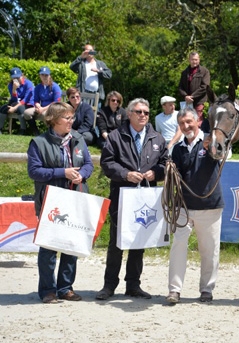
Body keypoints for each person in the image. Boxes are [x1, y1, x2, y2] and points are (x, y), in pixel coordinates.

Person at [97, 98, 168, 300]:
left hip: (146, 197)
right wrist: (126, 174)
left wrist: (156, 173)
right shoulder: (115, 136)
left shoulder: (157, 138)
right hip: (122, 195)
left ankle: (133, 285)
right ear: (129, 114)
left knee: (139, 241)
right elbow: (107, 163)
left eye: (146, 112)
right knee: (116, 242)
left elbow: (165, 163)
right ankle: (109, 285)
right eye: (138, 111)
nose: (143, 115)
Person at [27, 102, 94, 303]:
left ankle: (65, 288)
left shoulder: (79, 139)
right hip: (51, 200)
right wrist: (62, 172)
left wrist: (81, 175)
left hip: (76, 198)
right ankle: (48, 290)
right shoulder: (38, 143)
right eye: (67, 118)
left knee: (70, 245)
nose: (71, 121)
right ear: (54, 120)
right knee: (48, 247)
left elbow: (89, 164)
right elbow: (34, 171)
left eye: (72, 118)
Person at [166, 107, 224, 304]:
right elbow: (176, 174)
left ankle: (207, 289)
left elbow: (224, 154)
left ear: (198, 120)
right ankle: (174, 290)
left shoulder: (211, 140)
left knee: (209, 249)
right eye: (182, 124)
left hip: (209, 205)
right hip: (184, 205)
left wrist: (212, 147)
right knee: (178, 246)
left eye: (189, 122)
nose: (186, 126)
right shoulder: (178, 148)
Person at [24, 66, 62, 135]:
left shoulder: (55, 86)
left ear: (49, 76)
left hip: (53, 108)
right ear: (40, 76)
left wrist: (43, 109)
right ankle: (36, 132)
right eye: (42, 75)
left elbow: (56, 102)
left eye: (46, 75)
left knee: (45, 114)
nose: (44, 77)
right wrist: (38, 106)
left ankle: (51, 133)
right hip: (41, 108)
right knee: (27, 113)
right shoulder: (38, 87)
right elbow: (36, 100)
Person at [178, 51, 210, 131]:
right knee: (188, 121)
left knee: (198, 122)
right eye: (192, 59)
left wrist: (192, 96)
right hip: (187, 103)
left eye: (196, 59)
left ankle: (199, 141)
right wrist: (186, 96)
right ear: (189, 60)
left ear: (199, 60)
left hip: (199, 101)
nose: (194, 61)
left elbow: (204, 86)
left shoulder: (204, 71)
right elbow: (180, 87)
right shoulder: (184, 73)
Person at [0, 67, 35, 135]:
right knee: (3, 108)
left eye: (18, 77)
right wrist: (14, 89)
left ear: (22, 75)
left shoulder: (28, 84)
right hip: (16, 103)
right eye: (14, 78)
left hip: (28, 104)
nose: (16, 80)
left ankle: (23, 129)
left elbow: (26, 99)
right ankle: (0, 129)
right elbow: (14, 99)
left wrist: (14, 108)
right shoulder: (11, 85)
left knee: (20, 108)